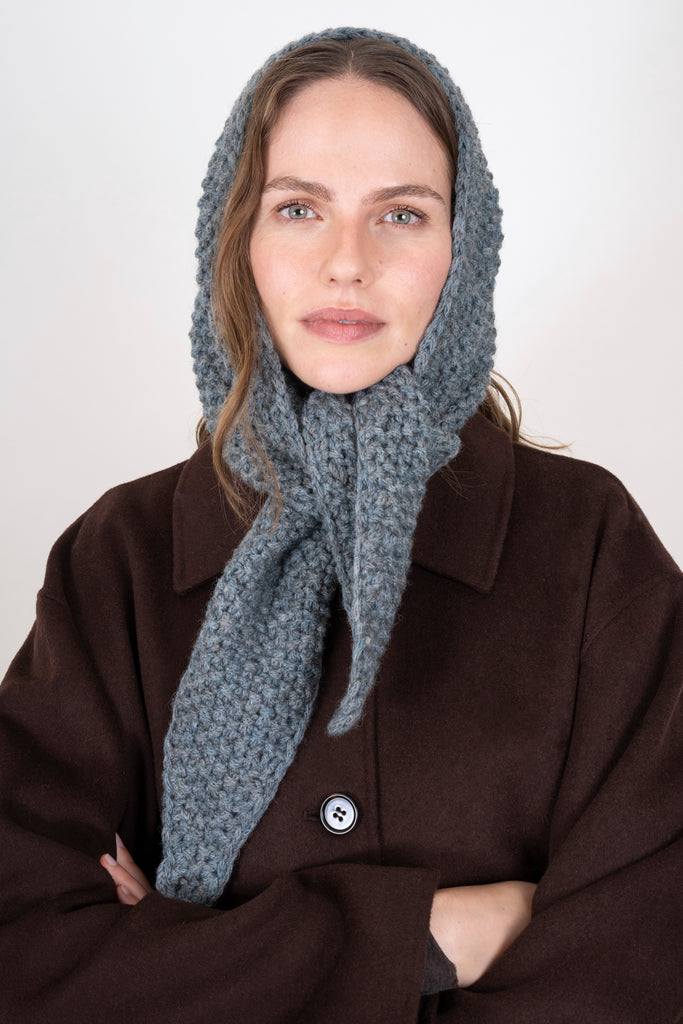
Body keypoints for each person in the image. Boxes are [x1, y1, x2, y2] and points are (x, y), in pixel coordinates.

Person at [0, 26, 681, 1023]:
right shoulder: (121, 558)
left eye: (400, 214)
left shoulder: (588, 548)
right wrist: (426, 943)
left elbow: (642, 958)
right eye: (298, 209)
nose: (346, 263)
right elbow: (26, 956)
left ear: (465, 249)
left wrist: (189, 955)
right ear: (237, 241)